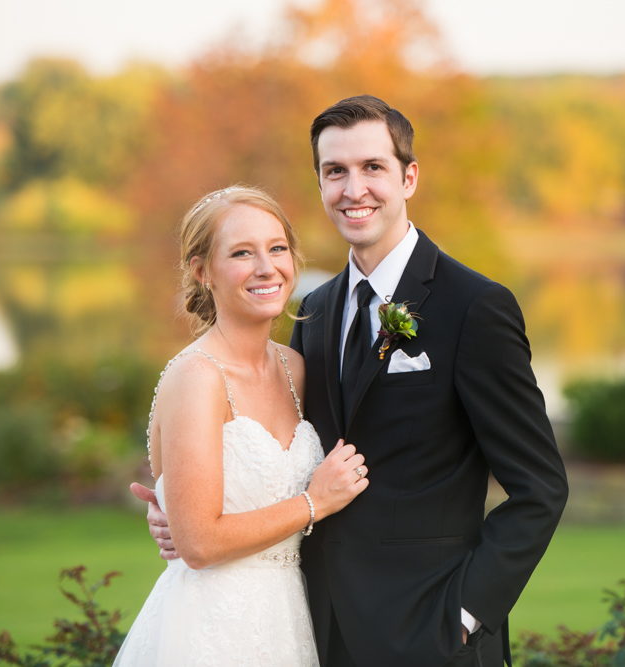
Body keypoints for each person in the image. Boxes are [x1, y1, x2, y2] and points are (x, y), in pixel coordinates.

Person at [134, 96, 569, 667]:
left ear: (409, 177)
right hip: (316, 629)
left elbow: (540, 488)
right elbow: (278, 450)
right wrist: (181, 510)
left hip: (433, 633)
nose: (352, 188)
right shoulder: (313, 315)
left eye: (373, 168)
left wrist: (466, 613)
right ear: (319, 184)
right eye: (334, 171)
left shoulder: (474, 308)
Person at [114, 186, 369, 667]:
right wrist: (316, 501)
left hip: (289, 618)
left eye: (277, 248)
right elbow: (200, 544)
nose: (266, 267)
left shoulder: (295, 367)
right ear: (201, 270)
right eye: (241, 253)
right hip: (213, 628)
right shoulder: (197, 378)